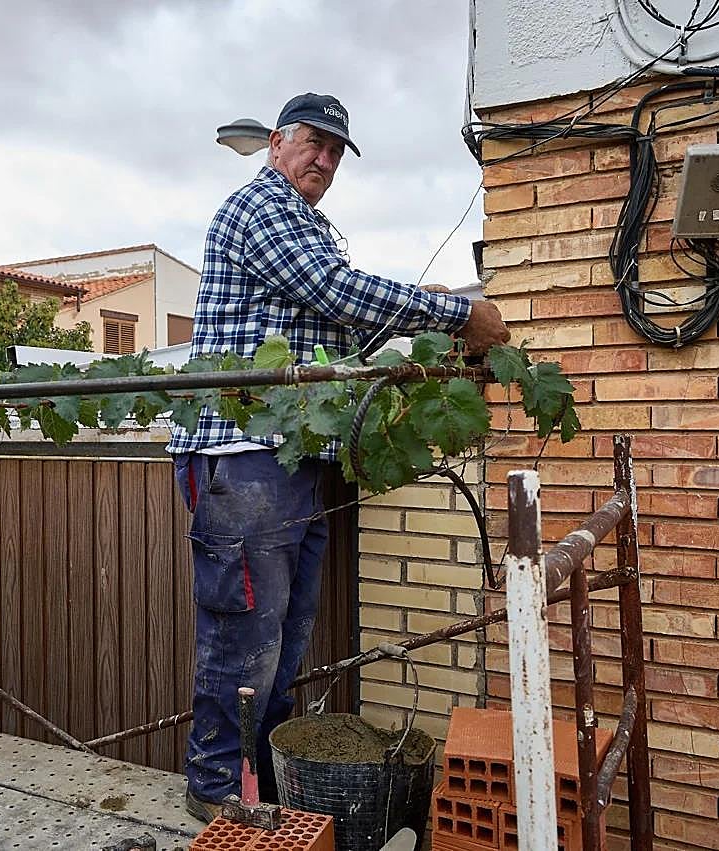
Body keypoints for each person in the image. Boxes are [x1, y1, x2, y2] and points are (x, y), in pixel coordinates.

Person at [166, 92, 509, 823]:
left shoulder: (310, 226)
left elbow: (336, 329)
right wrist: (456, 313)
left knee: (285, 636)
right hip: (243, 451)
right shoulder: (263, 207)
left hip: (290, 461)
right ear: (277, 144)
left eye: (335, 152)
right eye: (314, 143)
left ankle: (257, 778)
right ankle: (215, 783)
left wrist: (419, 321)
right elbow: (334, 292)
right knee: (245, 633)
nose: (324, 160)